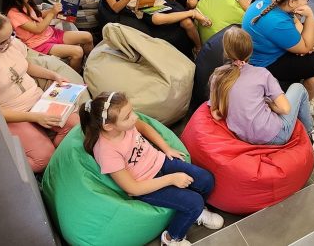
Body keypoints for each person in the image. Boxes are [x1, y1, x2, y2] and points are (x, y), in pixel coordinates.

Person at [83, 92, 224, 246]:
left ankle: (196, 213)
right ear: (108, 126)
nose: (135, 117)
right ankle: (171, 238)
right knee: (194, 202)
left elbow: (145, 127)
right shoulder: (106, 151)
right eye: (128, 116)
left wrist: (166, 148)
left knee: (206, 180)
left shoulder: (125, 126)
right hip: (146, 185)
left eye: (132, 111)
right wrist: (171, 179)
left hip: (160, 161)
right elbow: (133, 188)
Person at [0, 10, 81, 173]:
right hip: (14, 115)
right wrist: (35, 117)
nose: (10, 42)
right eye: (3, 41)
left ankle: (53, 147)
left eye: (11, 35)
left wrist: (54, 75)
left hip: (38, 101)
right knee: (43, 159)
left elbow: (26, 66)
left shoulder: (11, 45)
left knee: (76, 125)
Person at [209, 27, 314, 151]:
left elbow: (215, 114)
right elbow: (285, 109)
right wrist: (271, 105)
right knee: (298, 88)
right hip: (276, 137)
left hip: (242, 137)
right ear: (251, 50)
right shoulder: (262, 74)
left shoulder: (217, 75)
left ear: (226, 52)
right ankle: (310, 135)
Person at [242, 0, 314, 114]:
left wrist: (304, 44)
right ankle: (304, 103)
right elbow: (306, 47)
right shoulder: (277, 22)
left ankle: (299, 71)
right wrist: (310, 16)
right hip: (266, 64)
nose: (307, 2)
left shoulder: (271, 0)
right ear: (292, 2)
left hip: (262, 49)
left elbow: (295, 22)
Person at [1, 0, 94, 73]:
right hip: (39, 44)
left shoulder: (24, 4)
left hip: (51, 33)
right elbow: (38, 29)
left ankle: (93, 65)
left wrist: (56, 11)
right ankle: (76, 76)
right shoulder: (13, 14)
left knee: (88, 36)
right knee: (77, 52)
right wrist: (52, 12)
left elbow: (38, 15)